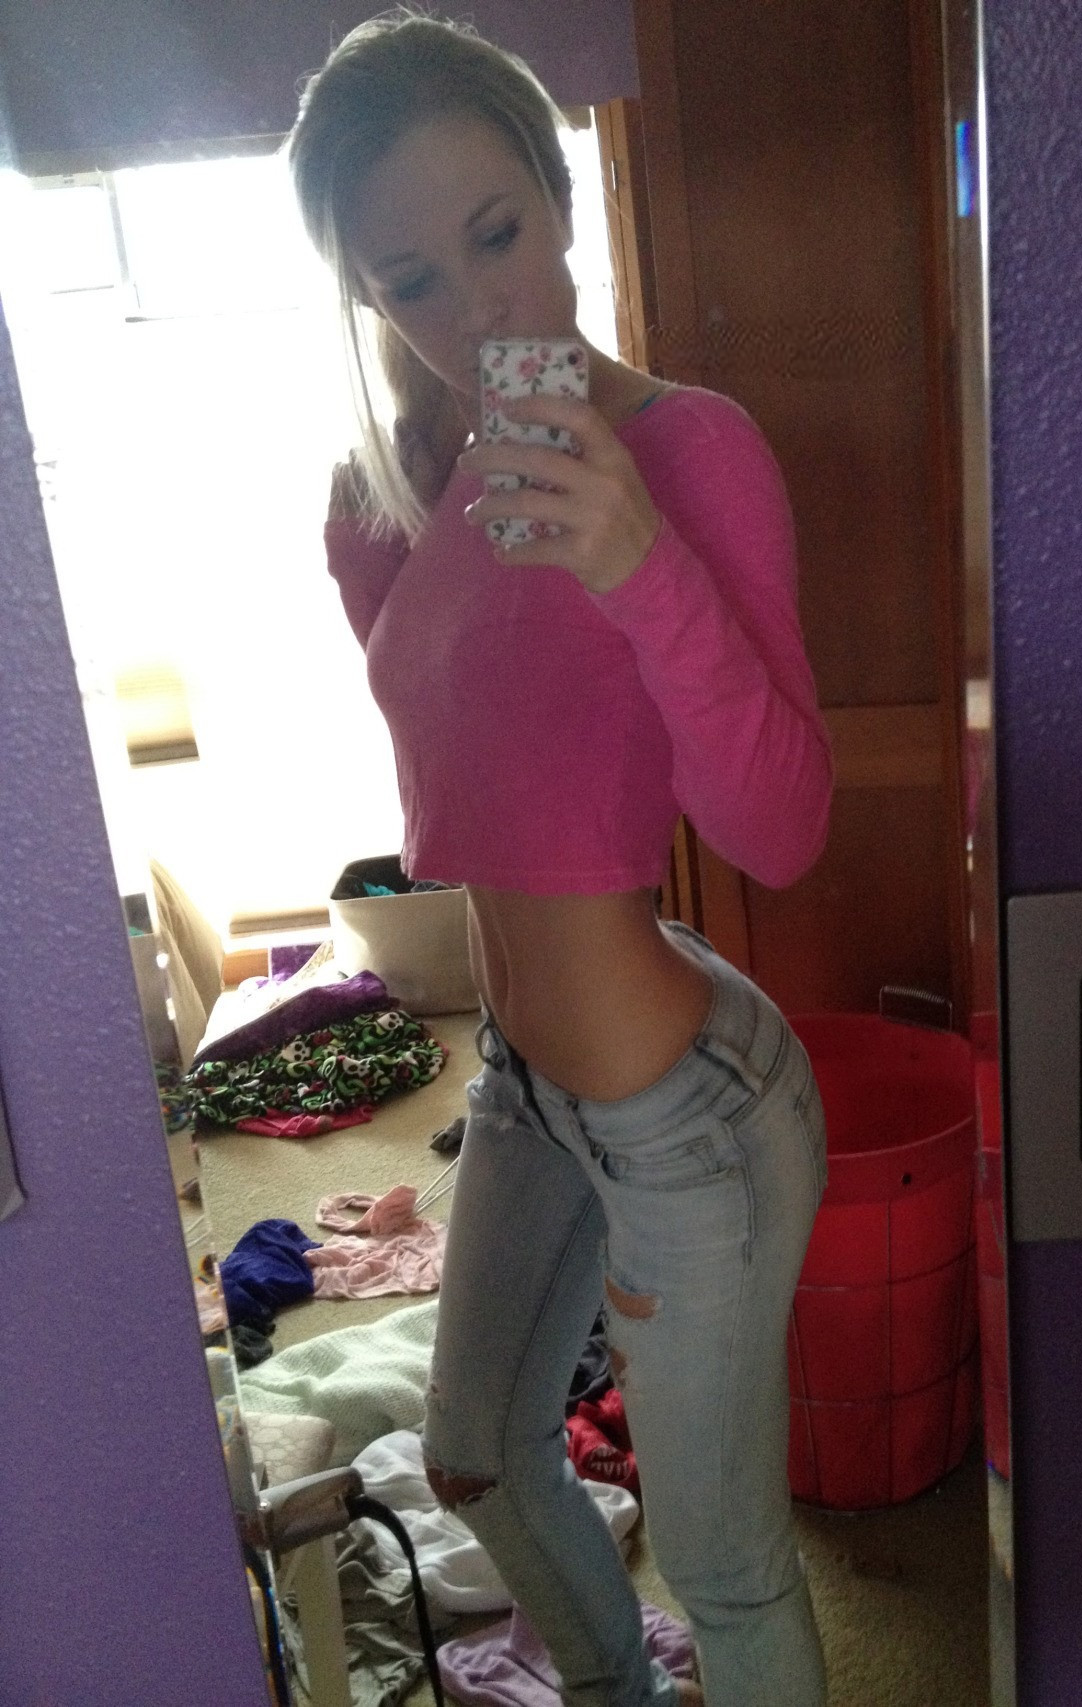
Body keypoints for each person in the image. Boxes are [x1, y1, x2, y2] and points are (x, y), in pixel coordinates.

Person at [289, 12, 834, 1705]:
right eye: (412, 280)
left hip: (689, 1118)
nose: (478, 308)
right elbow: (464, 771)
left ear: (561, 197)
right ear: (369, 300)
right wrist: (386, 523)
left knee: (729, 1570)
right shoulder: (417, 481)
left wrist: (639, 561)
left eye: (497, 234)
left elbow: (782, 830)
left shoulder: (686, 449)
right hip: (525, 1080)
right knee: (474, 1457)